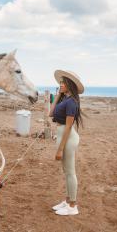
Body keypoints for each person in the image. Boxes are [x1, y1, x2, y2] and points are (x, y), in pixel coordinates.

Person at [49, 70, 84, 216]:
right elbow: (50, 114)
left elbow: (69, 127)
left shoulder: (71, 102)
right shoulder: (64, 99)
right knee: (66, 171)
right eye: (60, 83)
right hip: (63, 134)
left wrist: (60, 149)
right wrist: (57, 96)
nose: (60, 85)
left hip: (68, 137)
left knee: (70, 172)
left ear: (69, 85)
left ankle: (73, 206)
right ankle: (68, 200)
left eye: (63, 83)